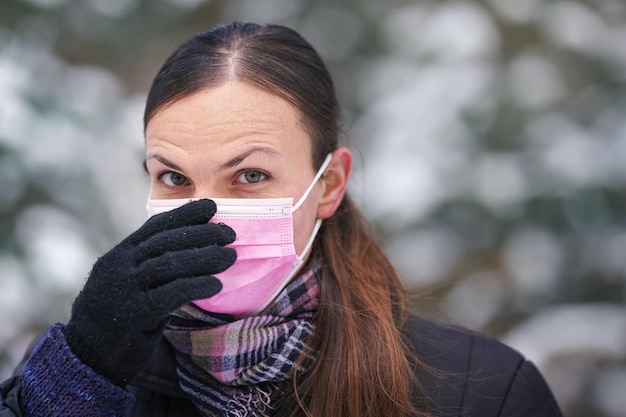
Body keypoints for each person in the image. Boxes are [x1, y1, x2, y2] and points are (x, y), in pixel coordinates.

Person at [0, 21, 563, 417]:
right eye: (173, 178)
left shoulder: (482, 393)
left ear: (330, 185)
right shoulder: (79, 365)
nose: (206, 209)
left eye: (249, 176)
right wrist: (81, 376)